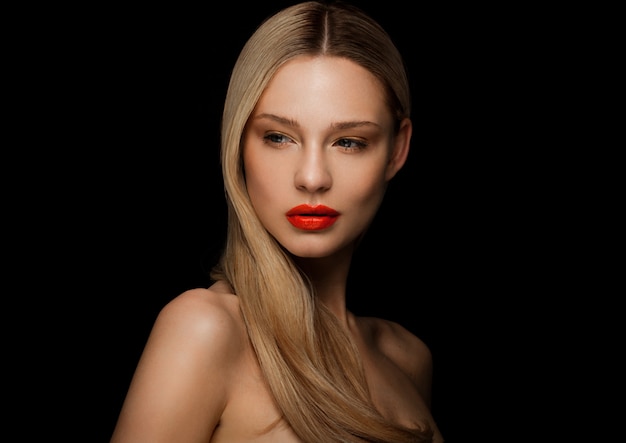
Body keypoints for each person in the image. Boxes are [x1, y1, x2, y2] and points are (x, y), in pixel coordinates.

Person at [110, 1, 443, 442]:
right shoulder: (204, 330)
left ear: (397, 151)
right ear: (238, 142)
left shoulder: (407, 357)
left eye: (348, 141)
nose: (311, 178)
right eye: (278, 137)